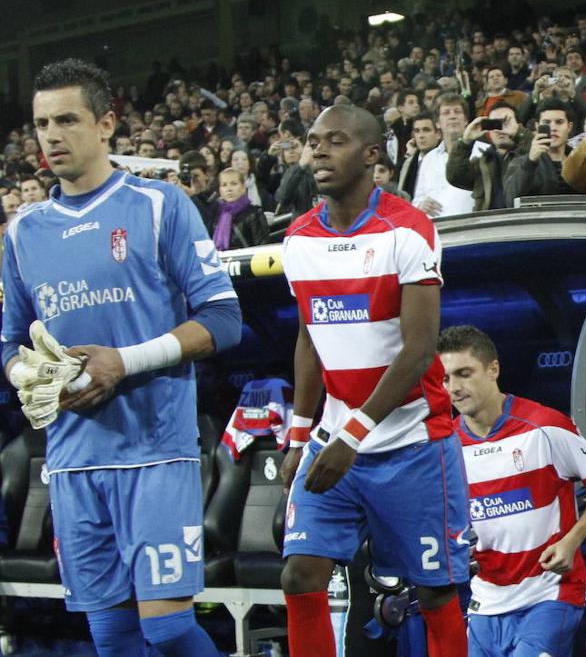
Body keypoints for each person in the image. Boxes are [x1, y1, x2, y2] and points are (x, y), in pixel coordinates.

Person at [2, 58, 242, 656]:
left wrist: (122, 362)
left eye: (67, 120)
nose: (51, 136)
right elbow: (8, 340)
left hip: (155, 452)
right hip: (73, 460)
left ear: (106, 124)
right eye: (40, 124)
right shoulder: (22, 232)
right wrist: (30, 377)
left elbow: (223, 320)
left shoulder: (158, 205)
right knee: (111, 635)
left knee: (166, 628)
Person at [279, 103, 470, 657]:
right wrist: (298, 436)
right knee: (299, 575)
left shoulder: (408, 230)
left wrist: (353, 437)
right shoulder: (298, 240)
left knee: (435, 591)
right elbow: (310, 338)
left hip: (412, 446)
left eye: (333, 141)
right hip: (335, 440)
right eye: (313, 140)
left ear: (371, 156)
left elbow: (417, 352)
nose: (317, 150)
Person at [437, 325, 586, 657]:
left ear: (493, 369)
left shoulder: (546, 426)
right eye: (446, 378)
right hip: (486, 602)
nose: (454, 388)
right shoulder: (445, 447)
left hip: (549, 595)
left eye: (464, 374)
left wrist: (571, 541)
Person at [205, 167, 270, 250]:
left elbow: (262, 246)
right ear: (220, 190)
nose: (229, 189)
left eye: (234, 184)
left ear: (243, 188)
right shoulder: (215, 214)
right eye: (224, 185)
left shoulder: (254, 213)